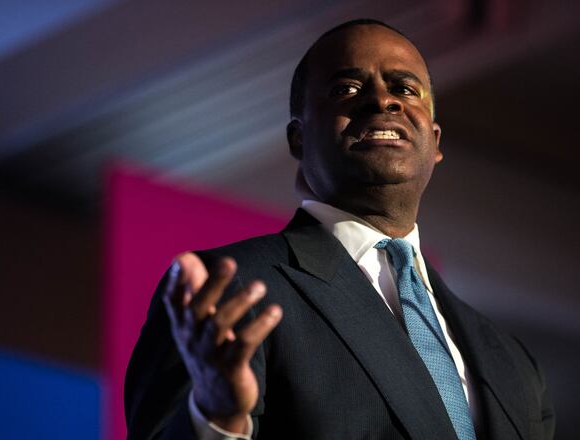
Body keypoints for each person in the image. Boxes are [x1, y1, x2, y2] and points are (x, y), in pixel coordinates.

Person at [124, 19, 555, 439]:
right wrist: (217, 420)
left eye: (405, 88)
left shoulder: (514, 365)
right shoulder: (228, 295)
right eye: (346, 89)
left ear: (435, 142)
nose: (382, 102)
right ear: (299, 138)